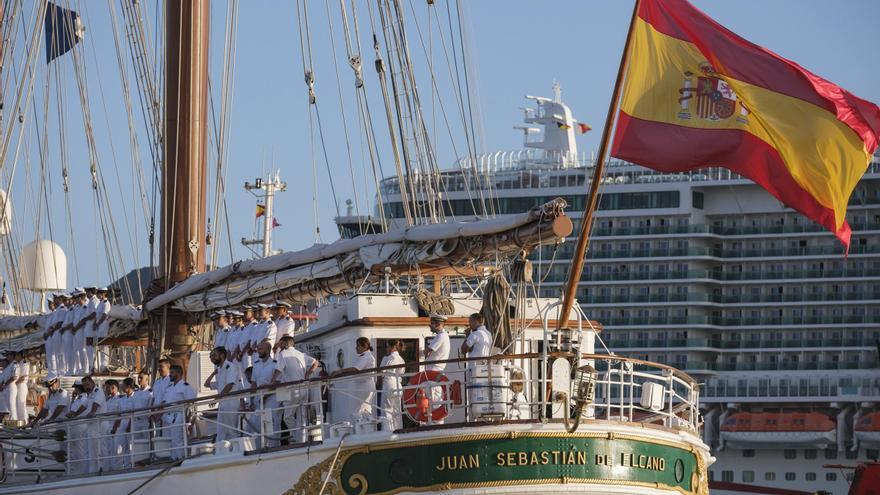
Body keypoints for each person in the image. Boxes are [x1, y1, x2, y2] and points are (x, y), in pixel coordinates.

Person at [273, 335, 317, 443]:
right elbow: (316, 362)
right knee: (302, 417)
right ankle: (303, 439)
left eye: (280, 343)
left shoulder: (282, 354)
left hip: (292, 389)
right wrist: (307, 374)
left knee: (287, 417)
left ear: (285, 343)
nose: (279, 345)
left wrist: (271, 382)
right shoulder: (300, 354)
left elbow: (278, 370)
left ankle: (296, 437)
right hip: (304, 388)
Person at [333, 337, 377, 424]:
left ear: (364, 346)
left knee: (356, 410)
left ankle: (361, 430)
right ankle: (366, 429)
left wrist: (340, 371)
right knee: (365, 409)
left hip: (363, 386)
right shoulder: (367, 356)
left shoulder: (365, 357)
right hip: (365, 385)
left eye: (358, 346)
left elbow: (356, 369)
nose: (356, 348)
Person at [157, 365, 196, 460]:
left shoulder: (186, 387)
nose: (170, 375)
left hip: (178, 416)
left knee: (177, 439)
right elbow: (164, 402)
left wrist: (190, 422)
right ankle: (172, 459)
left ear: (178, 374)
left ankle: (180, 459)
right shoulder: (169, 387)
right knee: (170, 440)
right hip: (167, 416)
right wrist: (159, 414)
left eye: (172, 373)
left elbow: (191, 404)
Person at [204, 347, 241, 442]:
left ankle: (235, 453)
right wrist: (213, 373)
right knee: (221, 431)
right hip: (223, 403)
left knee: (231, 430)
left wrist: (216, 399)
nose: (212, 358)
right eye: (210, 356)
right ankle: (222, 452)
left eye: (214, 355)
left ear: (222, 355)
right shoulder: (219, 370)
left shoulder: (230, 367)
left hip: (230, 403)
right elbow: (206, 384)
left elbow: (229, 385)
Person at [250, 339, 279, 447]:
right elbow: (253, 383)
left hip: (272, 397)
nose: (258, 350)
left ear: (267, 349)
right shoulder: (256, 364)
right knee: (256, 423)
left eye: (260, 349)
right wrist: (251, 399)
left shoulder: (275, 364)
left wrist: (267, 395)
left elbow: (277, 382)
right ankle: (257, 447)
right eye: (258, 349)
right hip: (258, 397)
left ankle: (274, 446)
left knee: (271, 422)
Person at [82, 376, 107, 473]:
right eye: (84, 386)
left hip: (99, 425)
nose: (86, 387)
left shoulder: (98, 392)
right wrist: (73, 414)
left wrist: (92, 412)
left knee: (99, 450)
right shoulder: (89, 395)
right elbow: (84, 406)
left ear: (92, 383)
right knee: (92, 451)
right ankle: (93, 471)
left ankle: (102, 470)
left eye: (87, 384)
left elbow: (95, 405)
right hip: (91, 426)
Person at [379, 340, 405, 431]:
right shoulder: (401, 359)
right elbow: (401, 373)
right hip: (398, 384)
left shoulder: (387, 358)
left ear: (392, 347)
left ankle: (387, 430)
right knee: (397, 410)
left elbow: (382, 373)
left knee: (387, 408)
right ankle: (398, 429)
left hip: (388, 384)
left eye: (387, 346)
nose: (386, 349)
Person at [112, 378, 136, 470]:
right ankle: (121, 467)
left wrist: (129, 425)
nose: (121, 387)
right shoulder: (122, 398)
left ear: (128, 386)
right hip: (122, 422)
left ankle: (130, 466)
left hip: (131, 421)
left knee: (130, 446)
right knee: (119, 445)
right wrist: (115, 427)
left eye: (123, 385)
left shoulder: (135, 397)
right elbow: (119, 413)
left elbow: (133, 412)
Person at [65, 384, 89, 474]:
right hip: (77, 426)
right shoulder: (79, 399)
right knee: (77, 450)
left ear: (78, 388)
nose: (74, 390)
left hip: (78, 426)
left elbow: (71, 413)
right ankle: (78, 470)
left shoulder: (81, 399)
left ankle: (80, 471)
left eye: (75, 388)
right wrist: (72, 399)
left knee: (78, 450)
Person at [102, 380, 121, 471]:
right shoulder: (108, 400)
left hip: (116, 428)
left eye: (106, 387)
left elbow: (119, 415)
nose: (105, 389)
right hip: (107, 428)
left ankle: (116, 469)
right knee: (108, 450)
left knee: (116, 450)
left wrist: (114, 428)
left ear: (113, 388)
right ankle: (109, 468)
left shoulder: (120, 399)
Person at [130, 372, 153, 441]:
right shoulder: (136, 393)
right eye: (139, 378)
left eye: (141, 378)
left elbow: (151, 408)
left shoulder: (150, 392)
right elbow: (132, 408)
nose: (139, 380)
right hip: (135, 421)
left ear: (147, 379)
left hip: (145, 421)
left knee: (147, 442)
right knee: (136, 443)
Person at [94, 288, 112, 371]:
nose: (97, 295)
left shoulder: (106, 303)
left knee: (104, 346)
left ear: (103, 294)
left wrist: (97, 323)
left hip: (104, 326)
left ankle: (104, 365)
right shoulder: (100, 303)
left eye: (99, 293)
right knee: (101, 347)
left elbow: (105, 315)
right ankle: (101, 365)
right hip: (99, 328)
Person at [82, 287, 100, 374]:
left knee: (91, 350)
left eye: (87, 292)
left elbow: (95, 313)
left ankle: (93, 368)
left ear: (90, 292)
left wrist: (85, 319)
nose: (86, 294)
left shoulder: (94, 301)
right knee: (89, 349)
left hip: (92, 330)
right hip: (88, 329)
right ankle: (91, 367)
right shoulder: (91, 301)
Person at [0, 351, 20, 422]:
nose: (7, 357)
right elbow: (4, 378)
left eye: (8, 355)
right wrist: (2, 385)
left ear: (12, 355)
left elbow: (15, 377)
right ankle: (11, 424)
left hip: (11, 387)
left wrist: (5, 384)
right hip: (6, 388)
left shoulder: (15, 364)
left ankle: (14, 424)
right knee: (9, 408)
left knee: (12, 407)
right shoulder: (9, 366)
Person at [14, 351, 30, 422]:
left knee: (21, 405)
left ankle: (25, 422)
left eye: (15, 355)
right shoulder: (18, 364)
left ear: (19, 355)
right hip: (18, 386)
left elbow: (23, 377)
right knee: (18, 405)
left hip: (21, 386)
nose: (15, 357)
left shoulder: (24, 363)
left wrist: (14, 383)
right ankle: (20, 421)